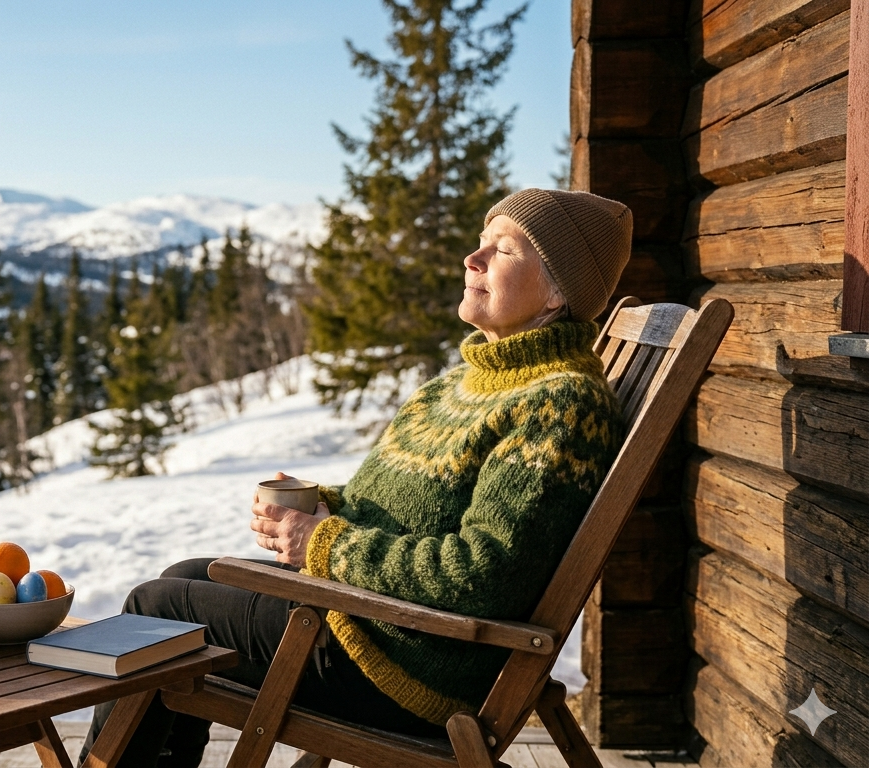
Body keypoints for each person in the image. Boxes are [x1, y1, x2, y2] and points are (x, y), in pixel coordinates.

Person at [79, 189, 633, 767]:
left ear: (557, 292)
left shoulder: (559, 405)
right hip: (372, 621)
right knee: (181, 578)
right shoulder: (464, 383)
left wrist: (322, 540)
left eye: (505, 249)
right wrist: (316, 504)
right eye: (481, 242)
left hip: (406, 661)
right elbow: (401, 505)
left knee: (156, 611)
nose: (473, 258)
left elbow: (485, 574)